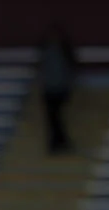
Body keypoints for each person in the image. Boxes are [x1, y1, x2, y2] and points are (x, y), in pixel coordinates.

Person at [38, 25, 76, 154]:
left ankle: (59, 142)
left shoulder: (64, 51)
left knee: (55, 117)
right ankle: (58, 142)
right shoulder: (46, 50)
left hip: (59, 88)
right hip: (50, 89)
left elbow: (70, 70)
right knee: (53, 118)